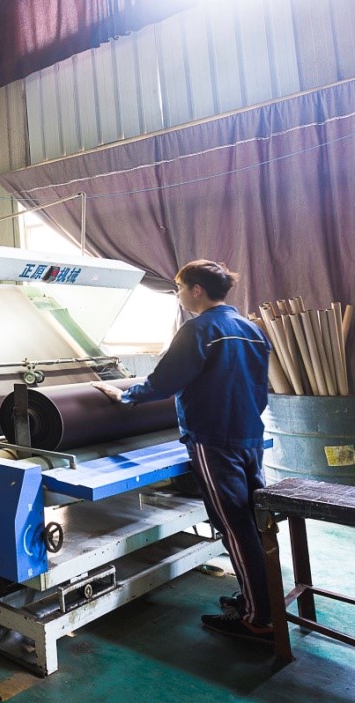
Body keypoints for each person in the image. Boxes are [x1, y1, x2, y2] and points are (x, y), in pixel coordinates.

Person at [92, 259, 273, 643]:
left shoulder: (200, 330)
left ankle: (258, 620)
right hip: (250, 437)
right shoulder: (252, 330)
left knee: (234, 527)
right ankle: (260, 602)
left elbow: (165, 381)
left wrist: (126, 397)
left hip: (214, 440)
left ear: (196, 289)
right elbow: (261, 389)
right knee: (253, 522)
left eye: (178, 288)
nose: (178, 295)